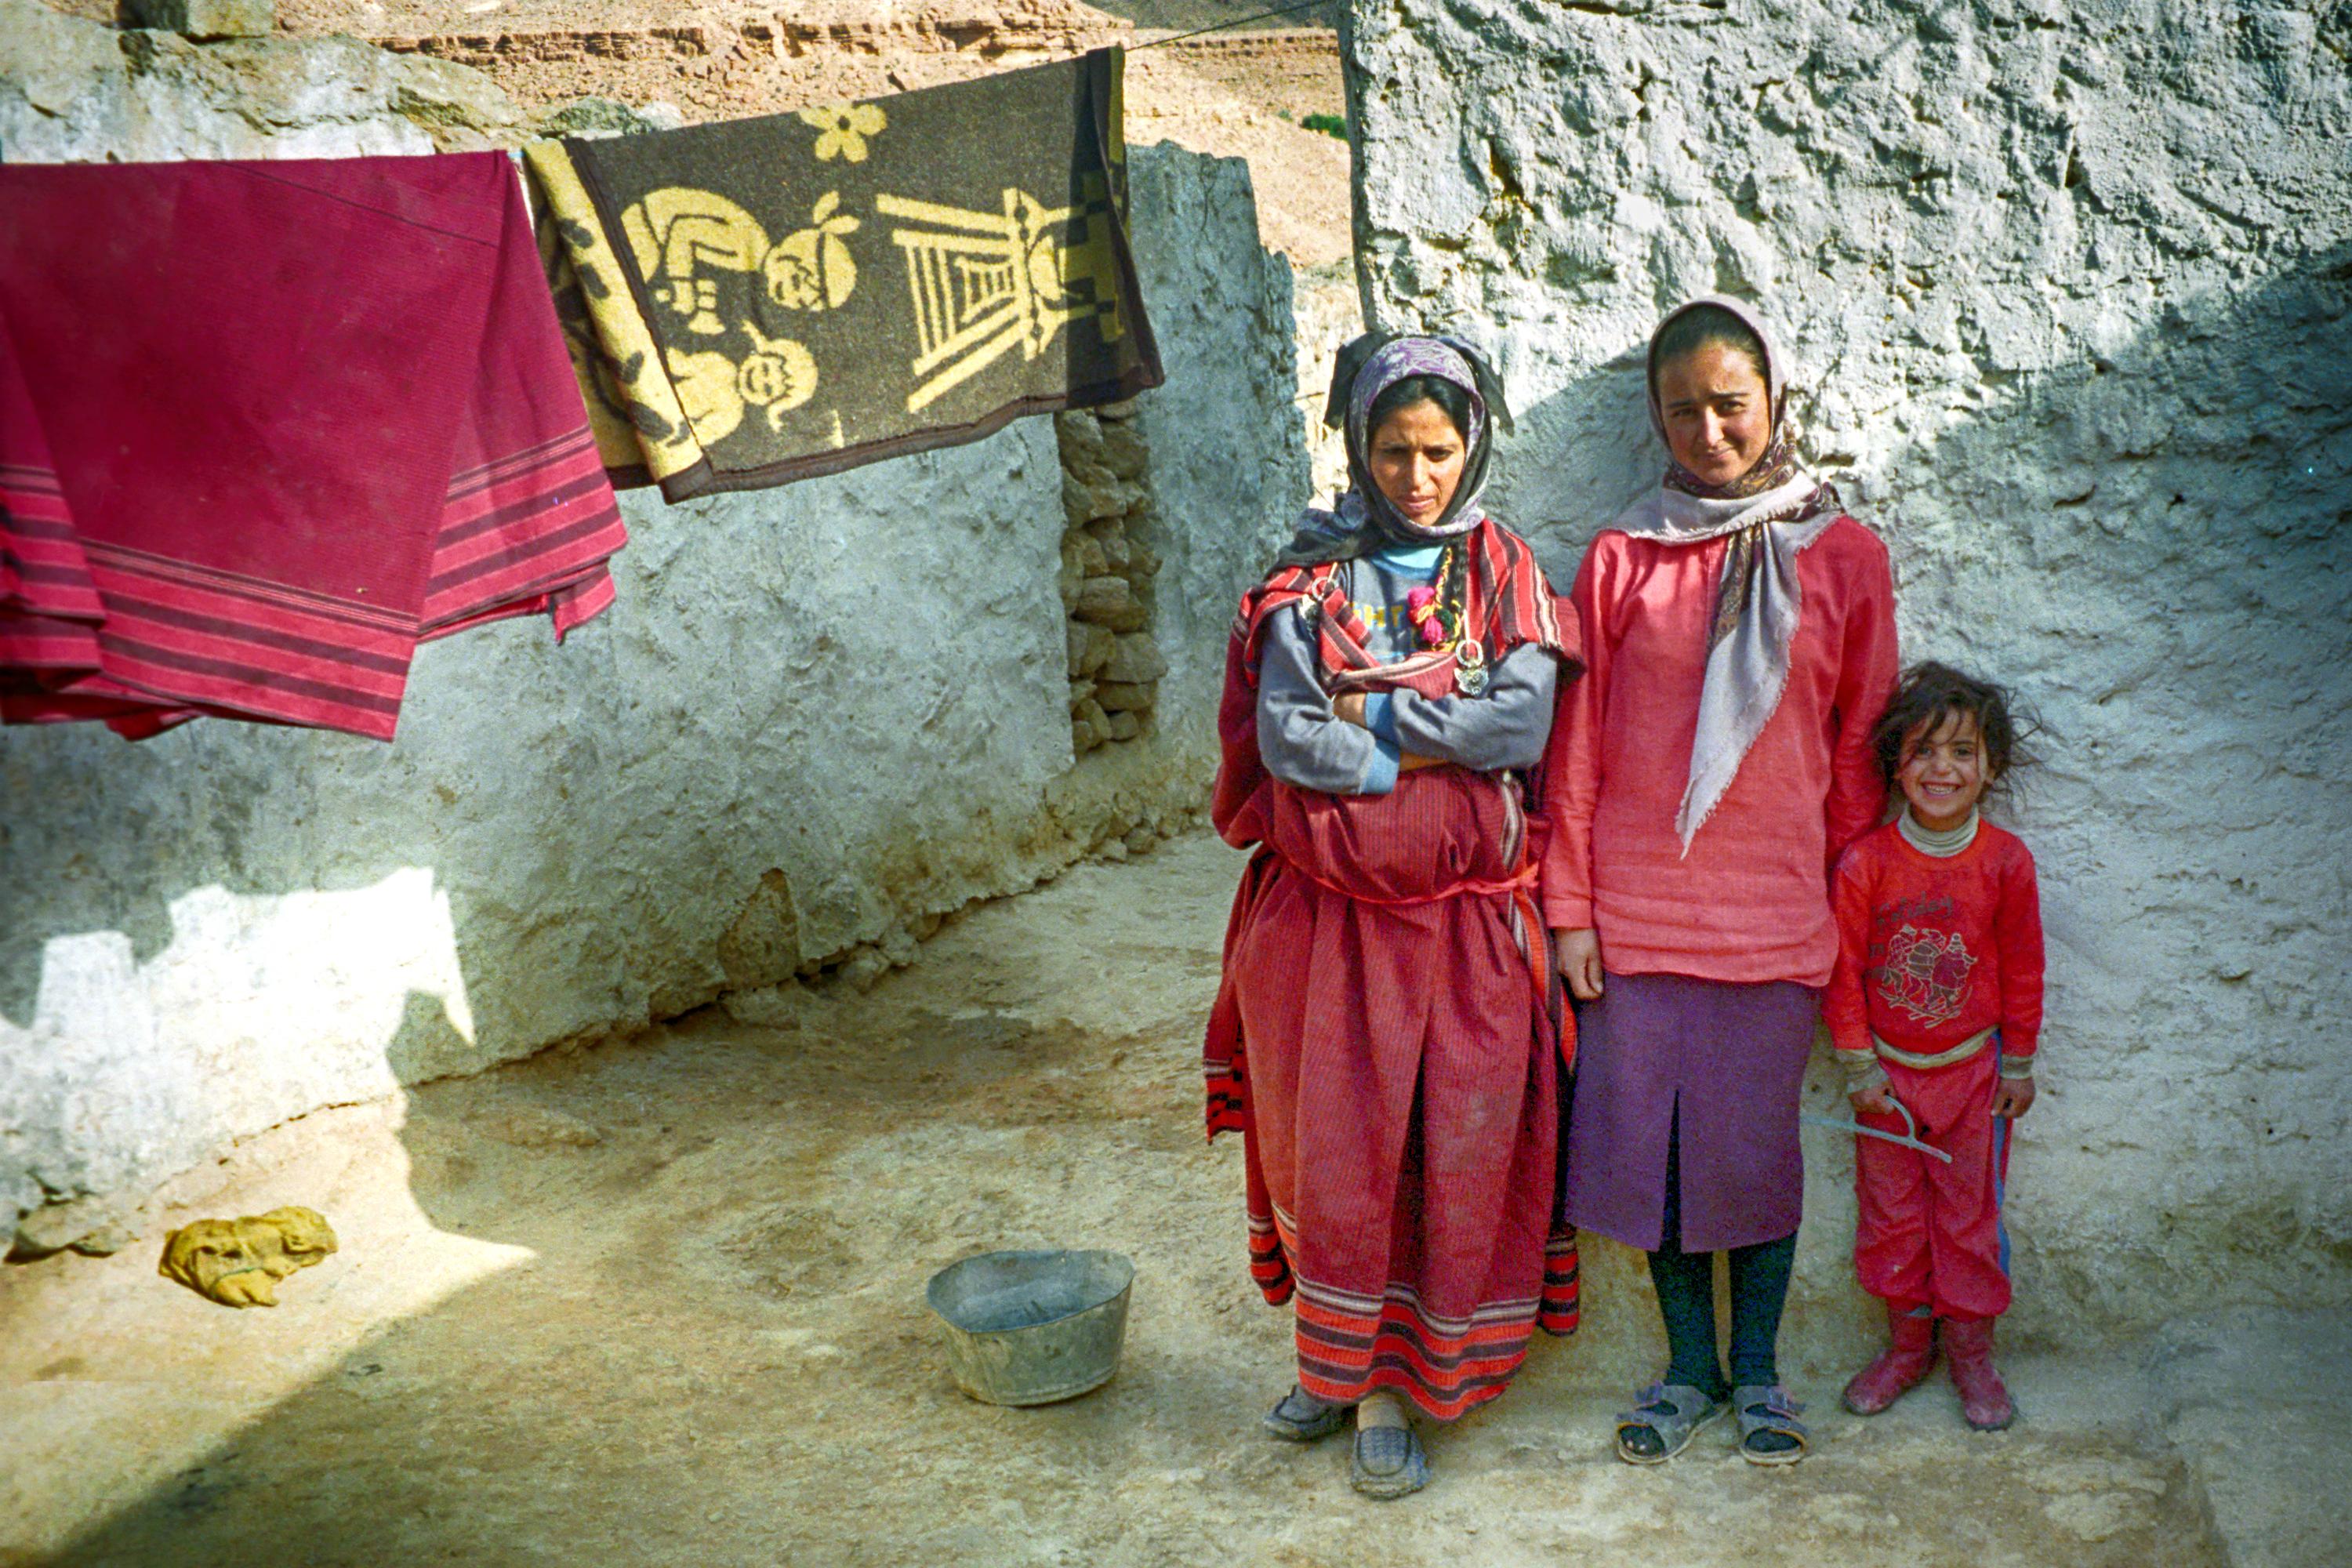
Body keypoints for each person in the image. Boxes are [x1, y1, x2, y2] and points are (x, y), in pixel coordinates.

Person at [1201, 333, 1581, 1500]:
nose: (1417, 474)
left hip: (1465, 937)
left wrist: (1367, 717)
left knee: (1434, 1148)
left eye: (1438, 449)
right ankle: (1339, 1374)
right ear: (1358, 450)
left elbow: (1519, 732)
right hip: (1323, 932)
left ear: (1471, 447)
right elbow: (1284, 741)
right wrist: (1432, 724)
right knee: (1335, 1155)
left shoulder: (1505, 568)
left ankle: (1388, 1386)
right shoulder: (1305, 581)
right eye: (1392, 450)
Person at [1542, 296, 1899, 1465]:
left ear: (1775, 400)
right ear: (1656, 415)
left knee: (1751, 1154)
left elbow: (1859, 748)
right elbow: (1579, 743)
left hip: (1775, 915)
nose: (1709, 430)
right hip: (1637, 919)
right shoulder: (1621, 557)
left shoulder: (1842, 554)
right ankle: (1689, 1369)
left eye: (1730, 403)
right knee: (1656, 1152)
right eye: (1682, 408)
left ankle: (1758, 1375)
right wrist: (1571, 911)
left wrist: (1837, 892)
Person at [1826, 662, 2044, 1430]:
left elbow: (2023, 966)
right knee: (1892, 1220)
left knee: (1968, 1222)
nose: (1941, 769)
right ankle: (1907, 1348)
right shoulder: (1866, 863)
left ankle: (1973, 1356)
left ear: (1990, 765)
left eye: (1961, 751)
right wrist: (1860, 1068)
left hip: (1974, 1082)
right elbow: (1842, 972)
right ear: (1895, 763)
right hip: (1887, 1083)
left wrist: (2016, 1063)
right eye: (1922, 751)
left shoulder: (2006, 862)